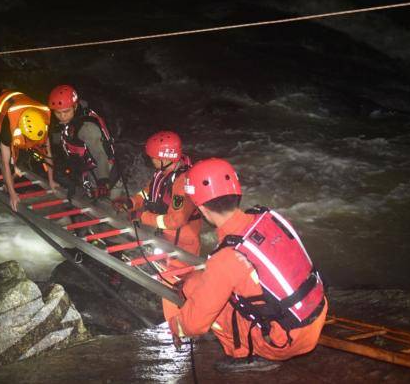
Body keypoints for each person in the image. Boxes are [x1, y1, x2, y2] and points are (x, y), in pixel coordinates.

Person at [169, 158, 327, 373]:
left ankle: (244, 356)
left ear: (203, 209)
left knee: (195, 288)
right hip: (314, 314)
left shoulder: (226, 257)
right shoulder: (268, 216)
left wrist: (176, 325)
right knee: (216, 283)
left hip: (285, 340)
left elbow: (195, 325)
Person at [112, 130, 202, 321]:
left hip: (183, 240)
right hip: (168, 237)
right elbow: (147, 192)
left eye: (153, 158)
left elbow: (176, 220)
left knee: (174, 284)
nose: (151, 161)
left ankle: (178, 327)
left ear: (164, 158)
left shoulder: (183, 181)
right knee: (168, 279)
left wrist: (143, 217)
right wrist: (131, 202)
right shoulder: (163, 173)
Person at [48, 84, 121, 200]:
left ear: (75, 106)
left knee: (112, 208)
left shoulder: (86, 127)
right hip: (90, 173)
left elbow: (100, 154)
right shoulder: (69, 122)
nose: (62, 116)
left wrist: (103, 182)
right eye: (57, 113)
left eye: (66, 111)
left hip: (108, 173)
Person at [0, 89, 55, 211]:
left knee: (29, 151)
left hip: (20, 102)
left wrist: (51, 181)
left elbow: (48, 154)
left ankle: (16, 168)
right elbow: (5, 164)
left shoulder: (42, 124)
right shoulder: (8, 129)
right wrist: (12, 194)